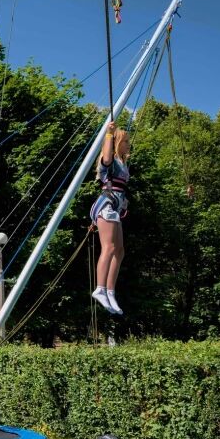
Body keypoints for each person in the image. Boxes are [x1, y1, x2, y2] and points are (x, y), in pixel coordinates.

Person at [90, 120, 130, 315]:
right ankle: (100, 288)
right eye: (126, 141)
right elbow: (106, 157)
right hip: (105, 206)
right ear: (117, 143)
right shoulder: (110, 160)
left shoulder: (122, 163)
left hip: (115, 208)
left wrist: (124, 203)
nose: (129, 144)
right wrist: (109, 133)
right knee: (109, 247)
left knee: (120, 250)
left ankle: (110, 291)